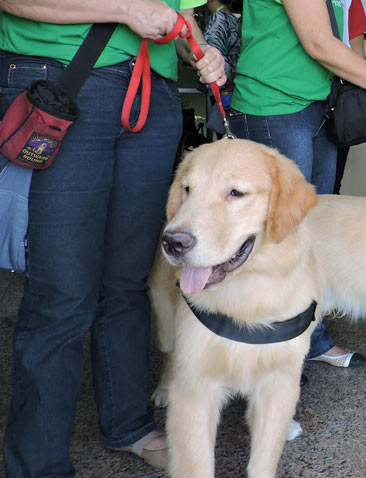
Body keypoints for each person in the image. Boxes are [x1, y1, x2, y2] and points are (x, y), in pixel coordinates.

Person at [0, 1, 225, 475]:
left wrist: (201, 50)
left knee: (127, 280)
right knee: (62, 289)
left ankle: (128, 425)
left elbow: (177, 21)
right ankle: (38, 464)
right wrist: (124, 9)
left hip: (153, 95)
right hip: (63, 79)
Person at [229, 0, 366, 368]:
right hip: (274, 104)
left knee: (312, 233)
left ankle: (310, 338)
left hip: (319, 108)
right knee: (278, 236)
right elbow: (318, 42)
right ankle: (268, 356)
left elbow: (349, 50)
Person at [331, 0, 366, 195]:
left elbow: (358, 56)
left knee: (330, 187)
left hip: (337, 101)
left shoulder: (352, 2)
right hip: (299, 98)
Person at [203, 0, 241, 110]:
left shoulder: (219, 18)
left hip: (223, 86)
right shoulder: (235, 20)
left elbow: (212, 51)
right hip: (235, 84)